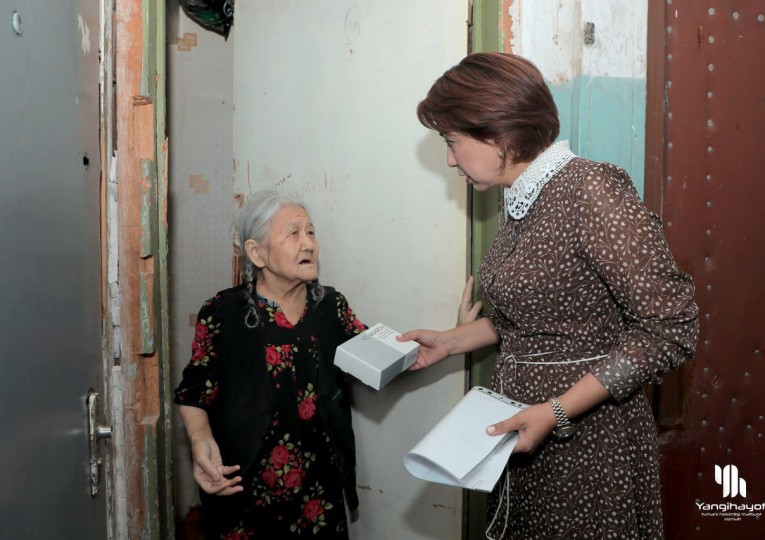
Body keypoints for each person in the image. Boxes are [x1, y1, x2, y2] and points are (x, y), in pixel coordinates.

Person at [399, 52, 699, 539]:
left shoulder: (591, 191)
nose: (449, 159)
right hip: (523, 429)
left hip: (587, 440)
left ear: (498, 136)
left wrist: (557, 410)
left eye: (453, 143)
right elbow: (536, 314)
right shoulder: (520, 195)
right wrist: (450, 342)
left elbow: (671, 328)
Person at [175, 190, 366, 539]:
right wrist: (200, 437)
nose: (308, 243)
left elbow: (376, 356)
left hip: (319, 493)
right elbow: (194, 390)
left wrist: (450, 339)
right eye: (293, 233)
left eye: (311, 232)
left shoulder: (331, 307)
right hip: (244, 489)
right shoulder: (224, 312)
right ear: (256, 252)